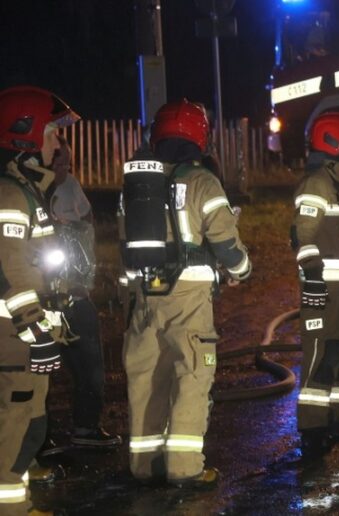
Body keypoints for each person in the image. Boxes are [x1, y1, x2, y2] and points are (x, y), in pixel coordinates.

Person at [120, 99, 251, 489]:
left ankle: (144, 465)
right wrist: (242, 269)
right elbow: (226, 243)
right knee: (191, 374)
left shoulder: (137, 185)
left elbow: (126, 247)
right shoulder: (202, 182)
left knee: (147, 379)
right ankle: (183, 466)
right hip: (189, 298)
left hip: (144, 296)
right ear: (200, 137)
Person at [0, 85, 79, 515]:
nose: (58, 142)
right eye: (51, 132)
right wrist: (35, 329)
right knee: (13, 428)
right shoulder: (10, 195)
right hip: (14, 339)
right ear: (23, 134)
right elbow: (9, 270)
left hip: (25, 337)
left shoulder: (26, 190)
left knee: (29, 425)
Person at [291, 112, 339, 456]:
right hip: (322, 291)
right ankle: (312, 429)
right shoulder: (317, 184)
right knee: (320, 359)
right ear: (335, 145)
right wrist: (312, 276)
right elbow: (302, 233)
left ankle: (333, 421)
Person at [45, 133, 121, 448]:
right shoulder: (27, 192)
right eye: (58, 161)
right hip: (44, 298)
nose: (64, 168)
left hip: (76, 292)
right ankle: (39, 436)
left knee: (90, 360)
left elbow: (87, 219)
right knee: (40, 368)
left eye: (68, 162)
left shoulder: (71, 186)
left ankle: (86, 426)